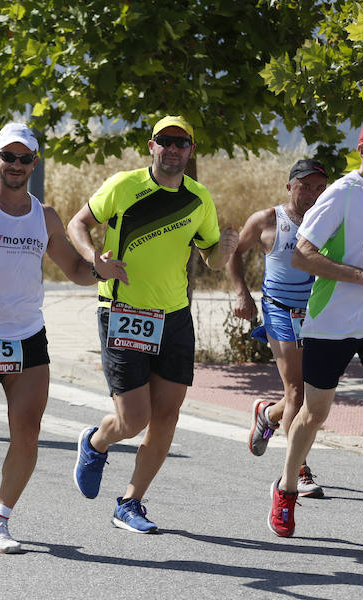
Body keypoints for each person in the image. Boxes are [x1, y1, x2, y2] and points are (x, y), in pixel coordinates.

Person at [0, 122, 129, 553]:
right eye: (8, 156)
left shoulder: (44, 215)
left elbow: (72, 270)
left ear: (34, 163)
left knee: (27, 435)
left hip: (28, 336)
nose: (16, 165)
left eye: (24, 158)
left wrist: (98, 270)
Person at [67, 115, 238, 533]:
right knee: (133, 419)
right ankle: (95, 442)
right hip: (124, 311)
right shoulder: (123, 186)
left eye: (182, 143)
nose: (173, 149)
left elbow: (211, 259)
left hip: (174, 316)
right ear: (152, 146)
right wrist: (95, 258)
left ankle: (130, 502)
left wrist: (227, 250)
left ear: (191, 151)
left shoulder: (199, 199)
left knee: (167, 415)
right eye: (166, 141)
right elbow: (77, 224)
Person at [268, 121, 363, 545]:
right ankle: (285, 488)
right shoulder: (342, 193)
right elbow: (301, 256)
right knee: (314, 413)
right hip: (332, 321)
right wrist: (360, 277)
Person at [228, 158, 328, 498]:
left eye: (319, 188)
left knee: (312, 395)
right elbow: (233, 252)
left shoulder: (327, 221)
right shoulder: (268, 219)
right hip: (280, 311)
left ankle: (267, 415)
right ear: (290, 187)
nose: (312, 194)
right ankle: (298, 470)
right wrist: (242, 292)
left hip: (316, 315)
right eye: (305, 187)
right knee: (297, 394)